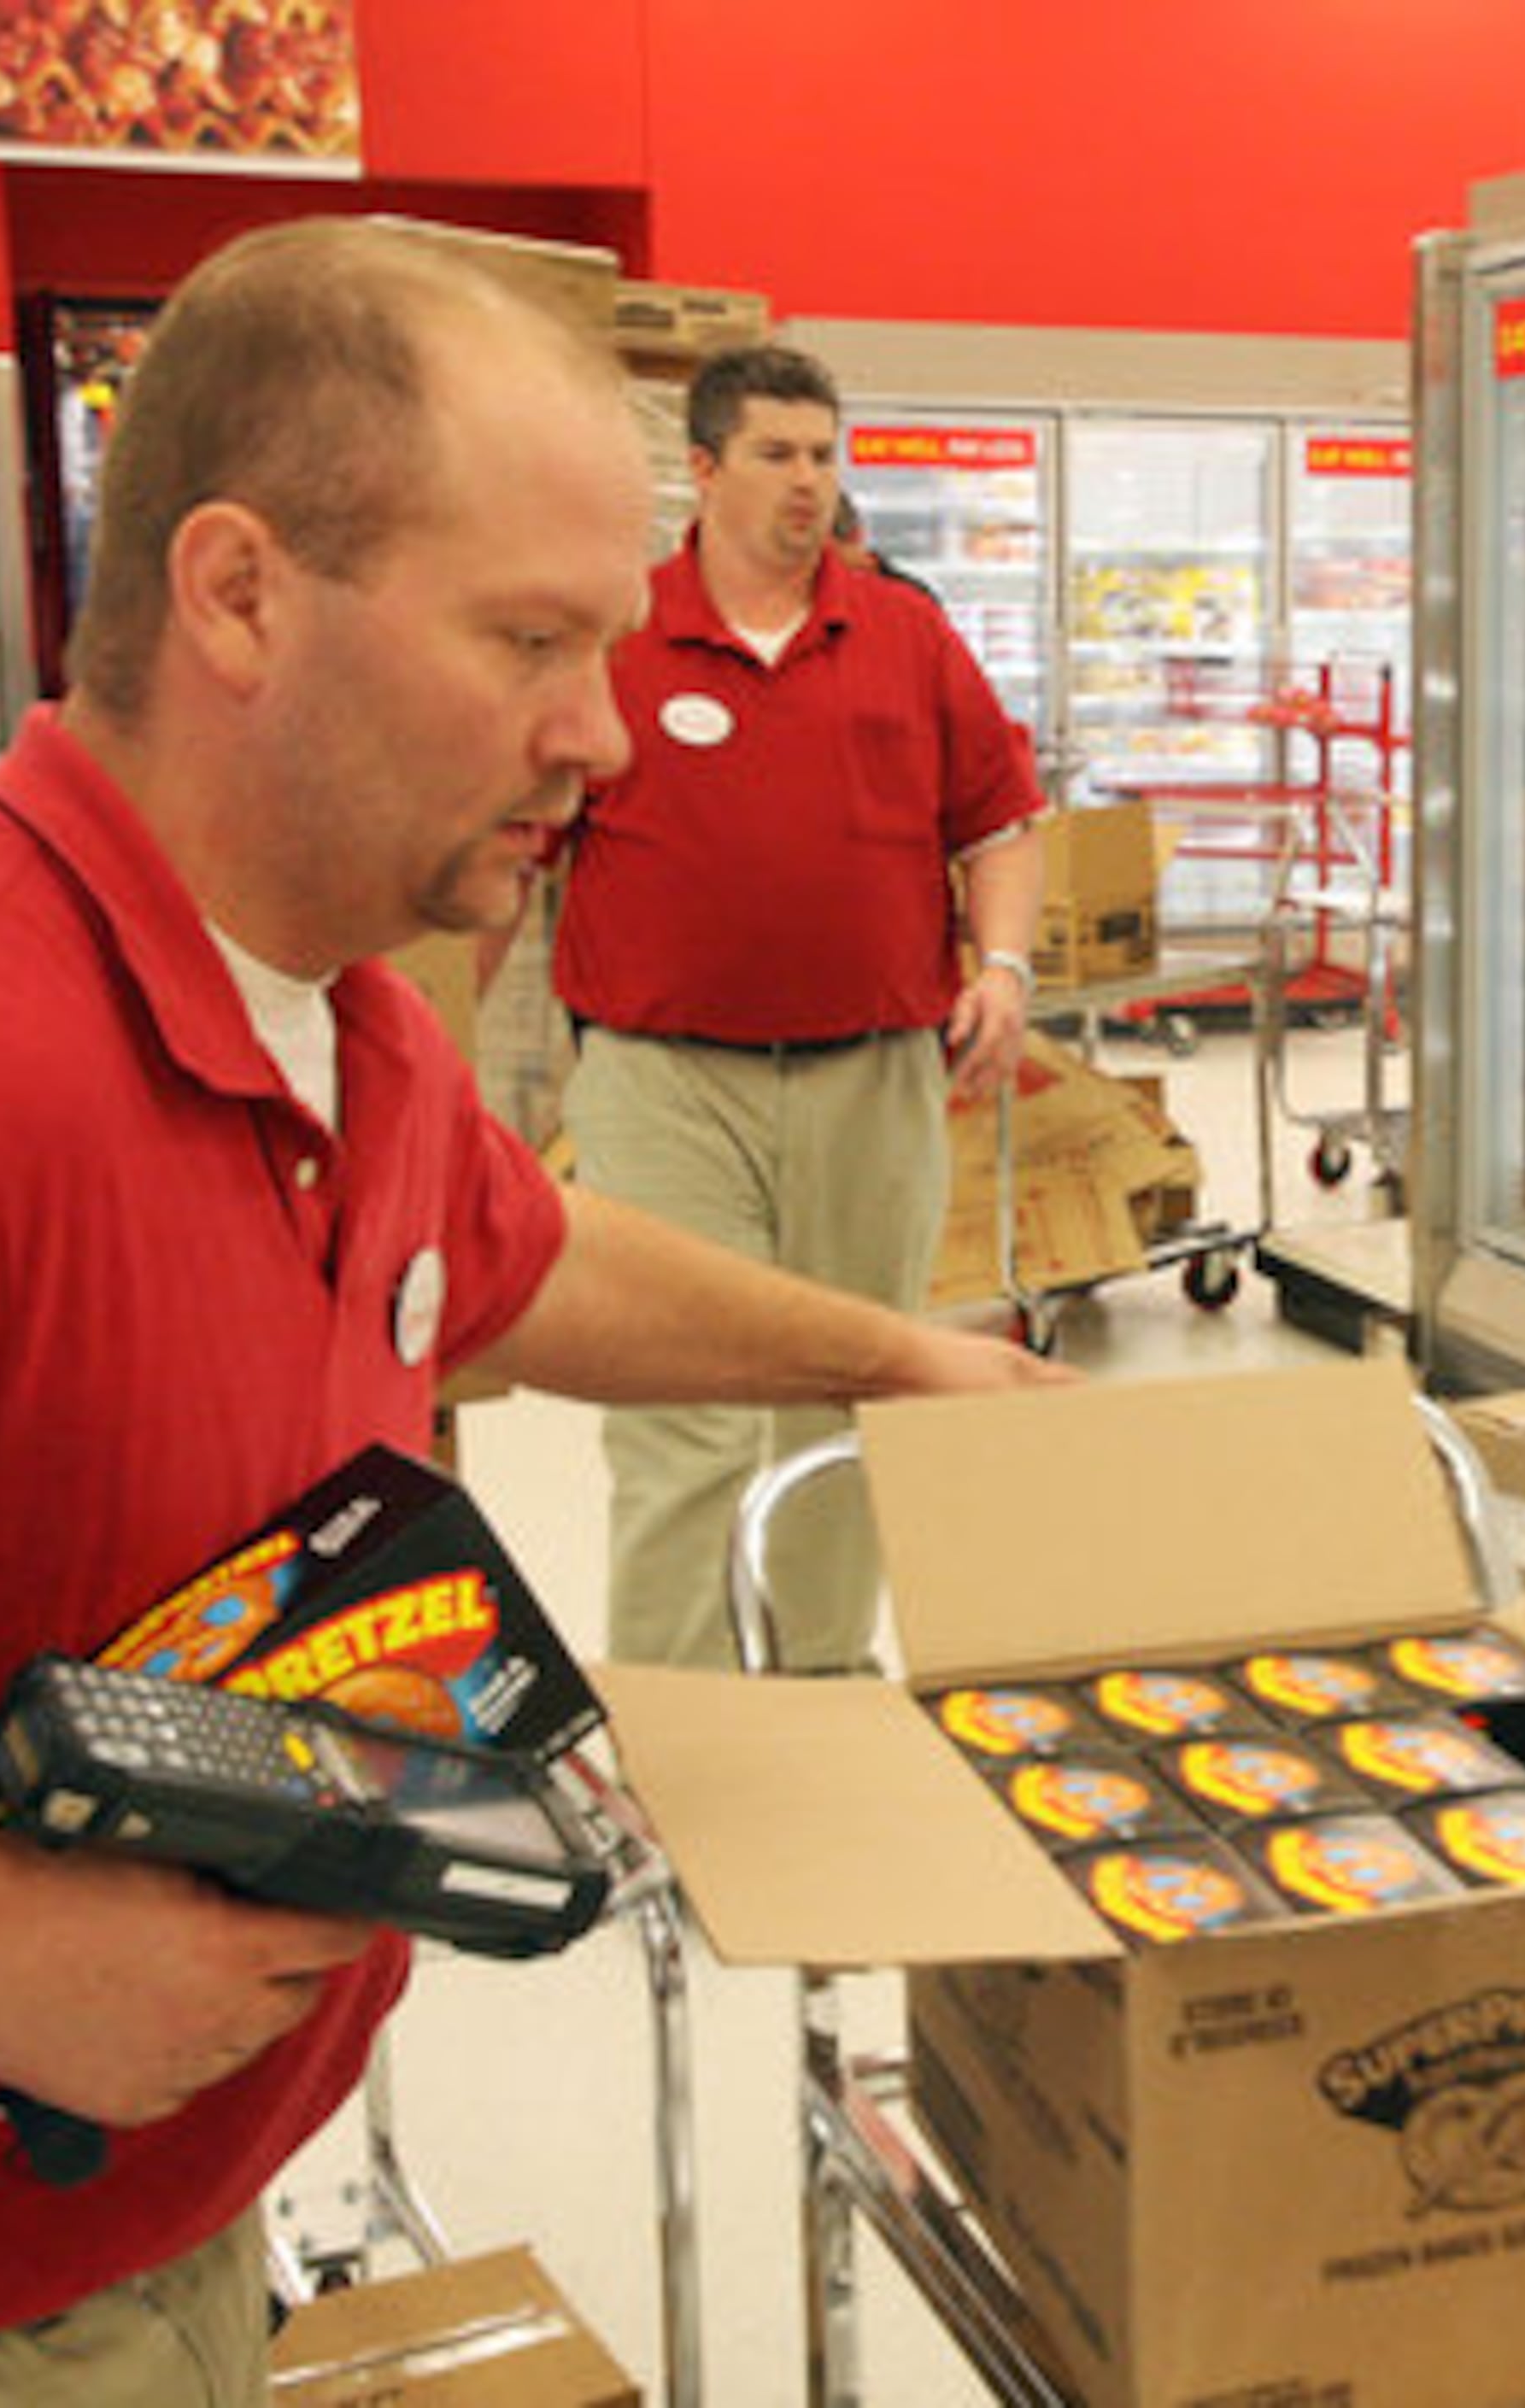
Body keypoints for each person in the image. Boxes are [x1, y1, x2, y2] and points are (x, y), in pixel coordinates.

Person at [0, 219, 1060, 2399]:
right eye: (527, 638)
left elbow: (524, 1256)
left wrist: (895, 1360)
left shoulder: (340, 1019)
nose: (601, 732)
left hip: (159, 2244)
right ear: (238, 596)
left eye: (606, 645)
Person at [550, 343, 1048, 1675]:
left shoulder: (905, 634)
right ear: (702, 472)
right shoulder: (618, 637)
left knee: (854, 1392)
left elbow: (1002, 820)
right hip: (661, 1079)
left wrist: (1004, 969)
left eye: (825, 456)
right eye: (777, 455)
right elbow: (510, 856)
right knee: (683, 1411)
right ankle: (672, 1715)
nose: (809, 483)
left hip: (873, 1075)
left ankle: (822, 1689)